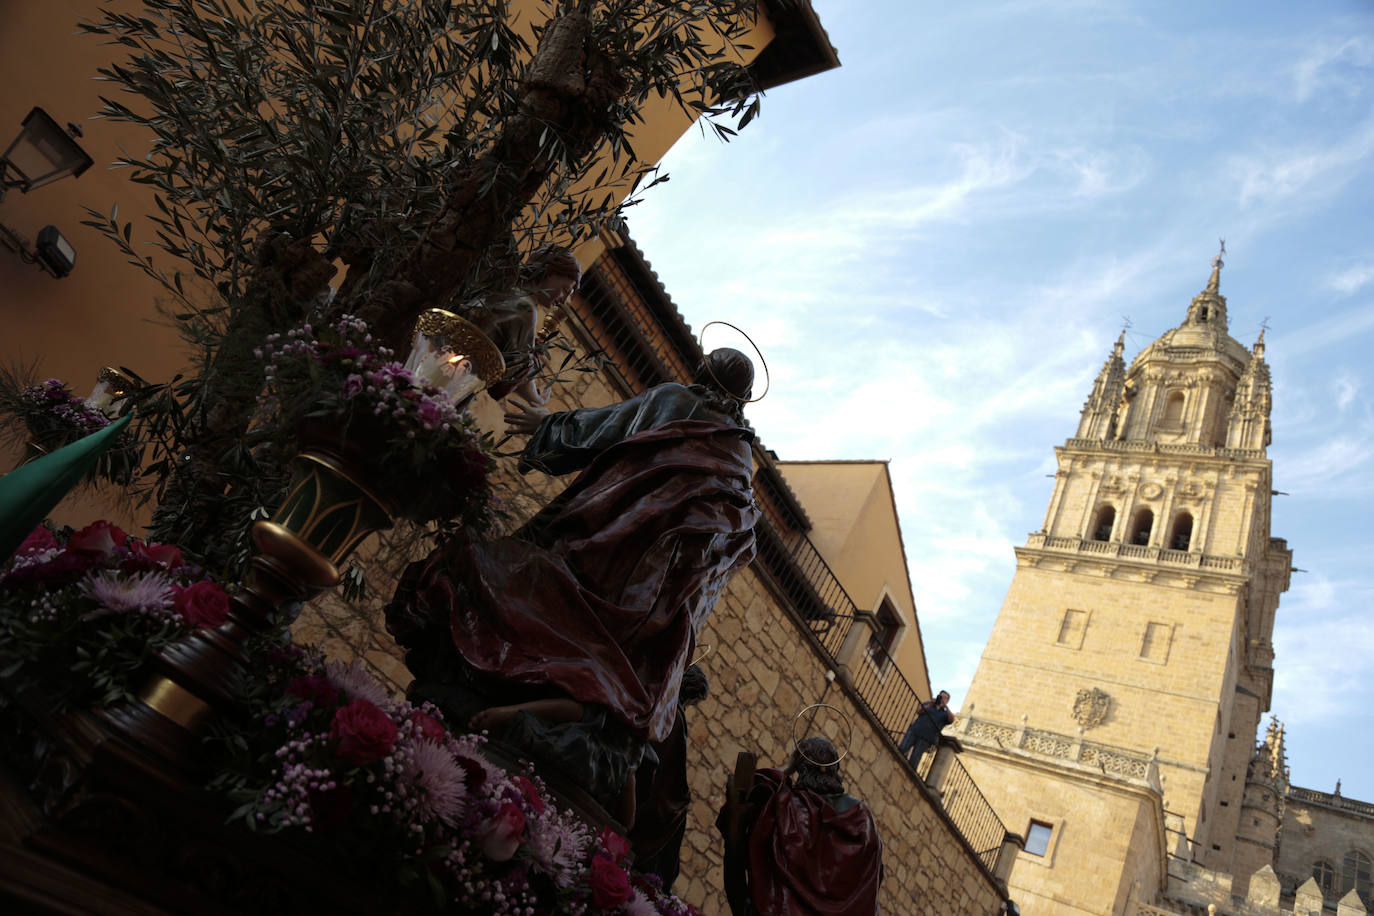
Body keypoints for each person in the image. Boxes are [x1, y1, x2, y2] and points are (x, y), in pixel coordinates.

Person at [385, 348, 760, 819]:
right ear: (744, 398)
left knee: (517, 582)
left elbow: (606, 429)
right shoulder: (742, 459)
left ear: (702, 372)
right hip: (657, 592)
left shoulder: (675, 400)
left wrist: (547, 425)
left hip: (606, 542)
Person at [717, 736, 884, 916]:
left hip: (780, 910)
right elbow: (873, 878)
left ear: (802, 769)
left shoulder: (788, 805)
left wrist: (787, 769)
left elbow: (752, 791)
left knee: (735, 844)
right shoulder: (862, 818)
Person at [457, 244, 582, 403]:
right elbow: (515, 370)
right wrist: (537, 400)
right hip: (459, 380)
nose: (563, 300)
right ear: (550, 273)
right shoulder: (525, 308)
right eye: (565, 289)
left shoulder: (506, 287)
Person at [898, 690, 956, 771]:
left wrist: (946, 707)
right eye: (941, 696)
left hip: (926, 738)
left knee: (915, 759)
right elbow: (919, 711)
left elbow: (952, 720)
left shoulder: (945, 714)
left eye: (945, 698)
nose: (942, 699)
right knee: (902, 748)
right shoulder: (929, 704)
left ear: (947, 701)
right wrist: (930, 705)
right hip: (915, 731)